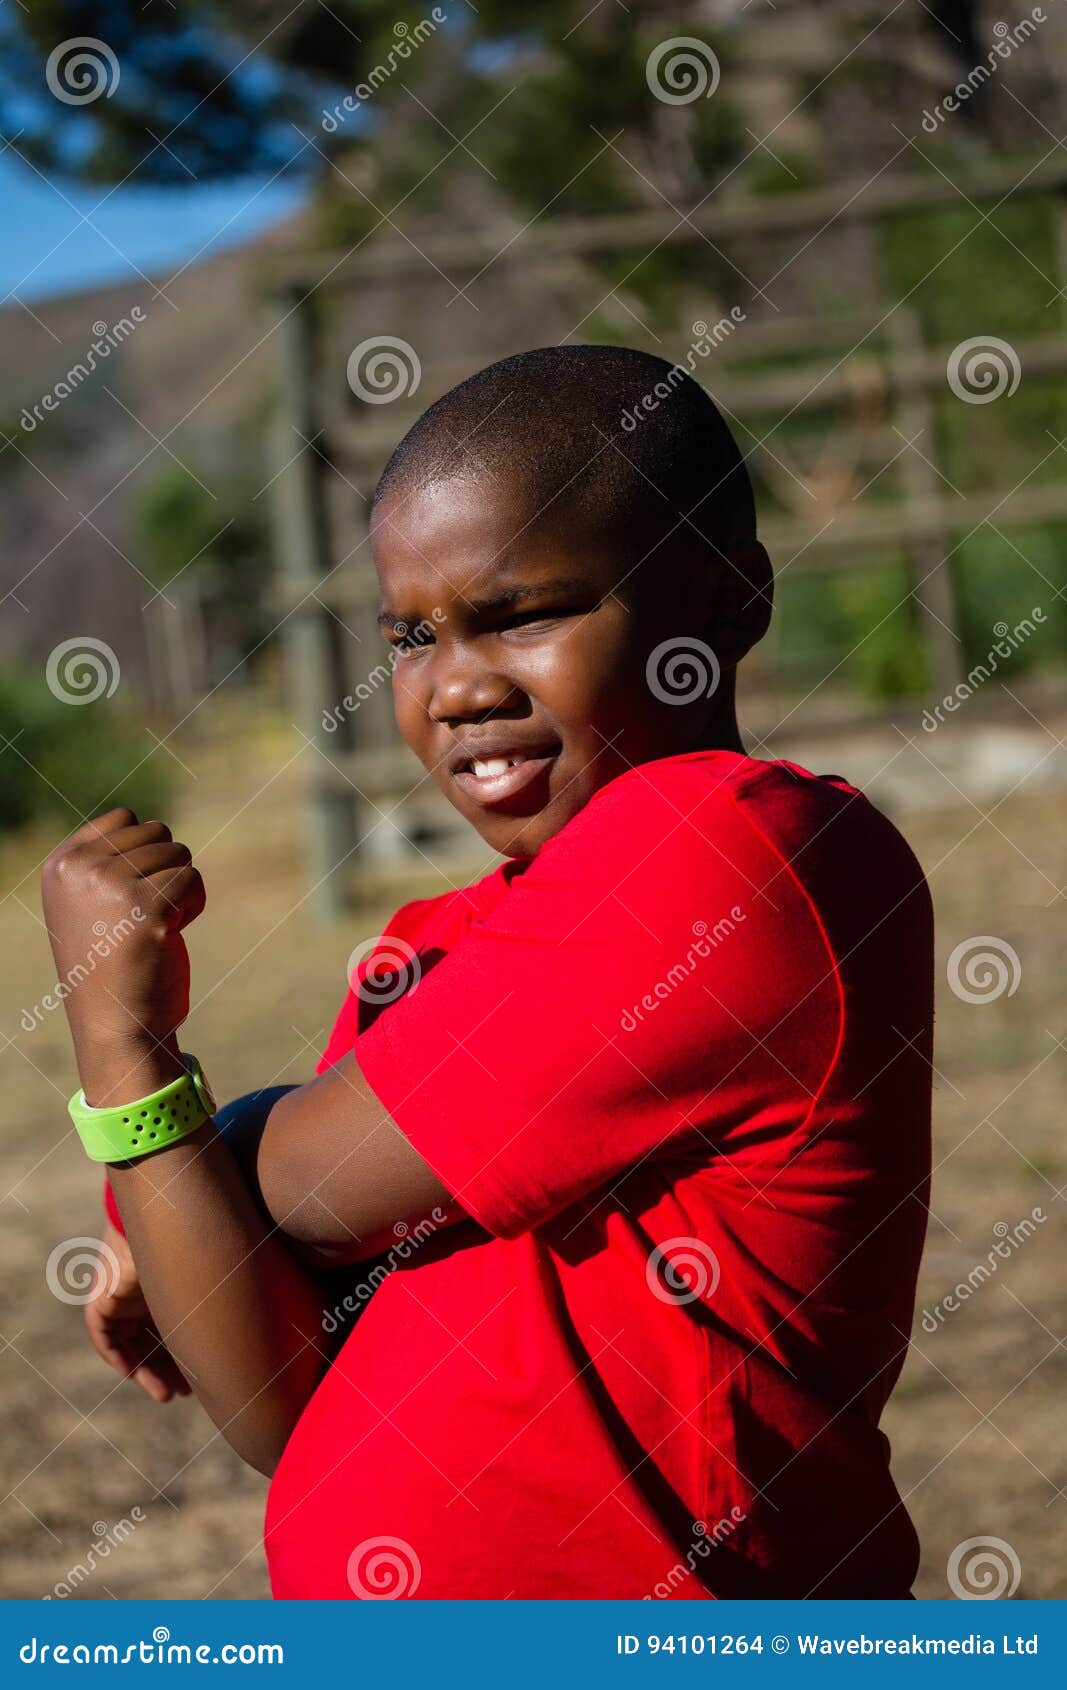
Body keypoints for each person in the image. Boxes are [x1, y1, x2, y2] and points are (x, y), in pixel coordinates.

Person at [46, 345, 934, 1599]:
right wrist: (131, 1071)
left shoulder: (731, 848)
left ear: (730, 600)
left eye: (522, 612)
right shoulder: (422, 950)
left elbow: (314, 1181)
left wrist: (184, 1153)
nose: (455, 685)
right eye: (409, 633)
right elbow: (274, 1401)